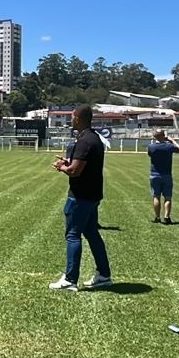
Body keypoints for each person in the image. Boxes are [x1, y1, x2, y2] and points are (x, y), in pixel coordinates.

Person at [49, 105, 112, 291]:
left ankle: (70, 279)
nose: (71, 120)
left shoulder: (84, 141)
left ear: (77, 118)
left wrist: (62, 167)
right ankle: (104, 274)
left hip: (80, 196)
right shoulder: (94, 138)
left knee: (72, 235)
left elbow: (75, 172)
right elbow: (82, 166)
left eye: (72, 117)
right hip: (92, 195)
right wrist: (68, 163)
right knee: (92, 234)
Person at [146, 129, 177, 225]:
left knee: (156, 196)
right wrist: (172, 141)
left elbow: (150, 155)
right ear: (164, 135)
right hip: (166, 174)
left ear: (154, 136)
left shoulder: (151, 147)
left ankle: (157, 217)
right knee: (167, 198)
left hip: (154, 174)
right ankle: (167, 217)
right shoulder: (169, 146)